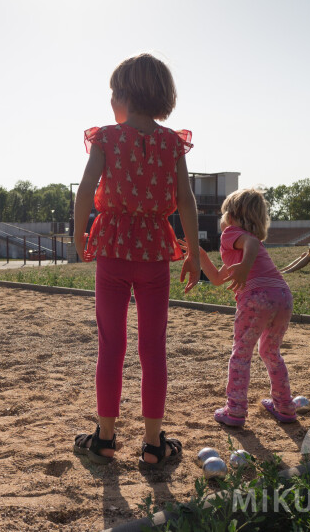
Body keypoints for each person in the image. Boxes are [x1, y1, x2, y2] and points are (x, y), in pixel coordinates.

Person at [72, 53, 201, 468]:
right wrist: (194, 254)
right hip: (154, 253)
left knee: (111, 345)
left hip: (112, 247)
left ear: (124, 96)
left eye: (113, 92)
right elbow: (185, 200)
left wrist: (78, 234)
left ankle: (105, 438)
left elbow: (85, 189)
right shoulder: (171, 143)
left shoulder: (107, 138)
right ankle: (151, 444)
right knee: (153, 349)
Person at [182, 189, 296, 427]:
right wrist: (199, 254)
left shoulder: (233, 234)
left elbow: (252, 243)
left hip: (257, 298)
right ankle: (284, 407)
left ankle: (234, 410)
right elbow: (216, 278)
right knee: (270, 352)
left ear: (231, 216)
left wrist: (244, 268)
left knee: (241, 353)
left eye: (223, 213)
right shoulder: (242, 247)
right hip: (283, 297)